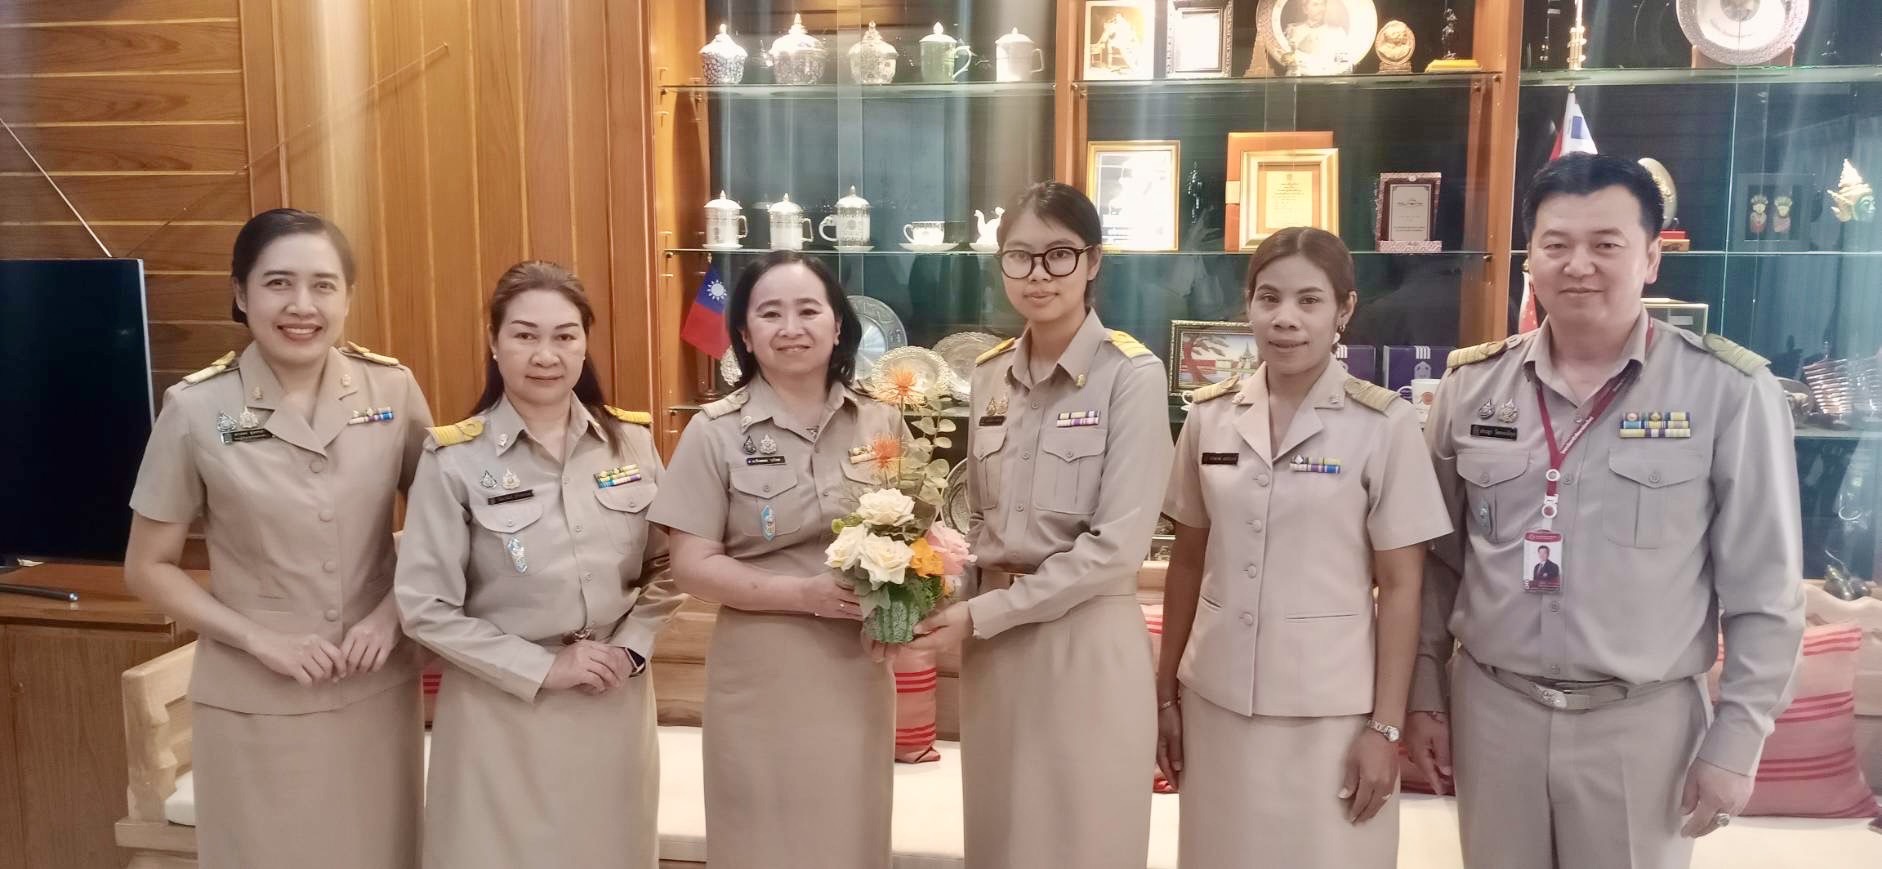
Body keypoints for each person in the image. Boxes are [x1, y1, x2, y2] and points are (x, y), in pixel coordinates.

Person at [1405, 153, 1806, 868]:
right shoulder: (1470, 388)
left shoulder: (1728, 392)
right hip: (1495, 711)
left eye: (1606, 244)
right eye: (1556, 244)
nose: (1578, 265)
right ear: (1531, 259)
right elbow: (1437, 565)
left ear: (1651, 258)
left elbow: (1765, 589)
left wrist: (1739, 737)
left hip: (1643, 723)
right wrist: (1425, 695)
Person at [123, 208, 430, 869]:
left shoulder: (392, 389)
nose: (302, 305)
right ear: (241, 293)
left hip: (376, 695)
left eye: (323, 285)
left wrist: (392, 613)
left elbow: (446, 529)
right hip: (254, 703)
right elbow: (148, 567)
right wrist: (258, 638)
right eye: (278, 283)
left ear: (348, 296)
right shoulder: (196, 409)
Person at [1155, 227, 1449, 868]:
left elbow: (1403, 588)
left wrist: (1385, 727)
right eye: (1269, 298)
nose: (1285, 318)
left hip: (1332, 718)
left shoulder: (1383, 425)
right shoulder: (1208, 416)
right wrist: (1166, 697)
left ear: (1344, 309)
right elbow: (1187, 562)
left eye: (1309, 300)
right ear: (1249, 305)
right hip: (1217, 704)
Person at [907, 181, 1172, 869]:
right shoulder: (989, 376)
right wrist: (933, 589)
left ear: (1093, 261)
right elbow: (980, 521)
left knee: (1084, 839)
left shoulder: (1132, 375)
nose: (1038, 275)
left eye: (1059, 255)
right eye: (1020, 257)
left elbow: (1117, 548)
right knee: (1001, 838)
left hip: (1085, 640)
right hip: (995, 649)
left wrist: (981, 614)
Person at [394, 261, 680, 869]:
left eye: (564, 335)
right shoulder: (454, 459)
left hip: (613, 701)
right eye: (525, 335)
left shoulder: (631, 442)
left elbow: (672, 564)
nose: (546, 354)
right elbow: (424, 608)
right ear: (494, 343)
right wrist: (546, 667)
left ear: (584, 344)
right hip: (501, 714)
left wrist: (632, 647)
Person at [648, 251, 908, 869]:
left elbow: (911, 538)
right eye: (769, 314)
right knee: (761, 837)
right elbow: (691, 563)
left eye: (807, 310)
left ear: (838, 325)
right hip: (760, 673)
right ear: (744, 334)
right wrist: (803, 595)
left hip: (856, 667)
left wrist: (904, 610)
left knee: (849, 834)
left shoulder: (881, 421)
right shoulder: (714, 431)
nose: (791, 328)